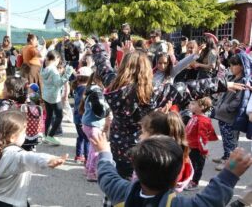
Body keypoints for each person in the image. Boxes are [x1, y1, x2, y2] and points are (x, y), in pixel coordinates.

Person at [87, 38, 246, 181]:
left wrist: (98, 46)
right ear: (146, 70)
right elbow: (188, 88)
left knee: (119, 185)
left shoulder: (113, 85)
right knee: (141, 186)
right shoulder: (152, 93)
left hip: (118, 147)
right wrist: (224, 84)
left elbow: (103, 65)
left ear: (123, 69)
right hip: (143, 148)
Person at [91, 134, 252, 207]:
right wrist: (230, 174)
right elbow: (210, 201)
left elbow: (106, 174)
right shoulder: (177, 204)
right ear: (177, 178)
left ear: (135, 169)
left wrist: (104, 151)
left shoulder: (121, 192)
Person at [0, 110, 68, 207]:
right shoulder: (13, 155)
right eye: (24, 132)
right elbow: (30, 158)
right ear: (12, 137)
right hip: (11, 202)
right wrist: (49, 159)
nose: (25, 135)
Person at [212, 52, 251, 171]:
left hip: (230, 117)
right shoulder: (231, 77)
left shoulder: (244, 81)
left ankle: (230, 164)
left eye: (234, 65)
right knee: (225, 139)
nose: (231, 67)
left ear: (242, 66)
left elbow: (238, 101)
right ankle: (225, 157)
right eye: (230, 65)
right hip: (223, 116)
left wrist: (226, 108)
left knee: (231, 142)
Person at [138, 111, 193, 193]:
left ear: (156, 137)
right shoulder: (178, 153)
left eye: (143, 132)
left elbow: (141, 186)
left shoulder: (152, 161)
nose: (140, 136)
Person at [80, 71, 111, 182]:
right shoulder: (97, 92)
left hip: (88, 123)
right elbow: (100, 110)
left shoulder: (91, 89)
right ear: (99, 80)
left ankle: (88, 169)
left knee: (92, 149)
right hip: (94, 125)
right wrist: (108, 111)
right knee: (96, 151)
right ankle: (92, 173)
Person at [184, 97, 218, 190]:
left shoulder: (202, 120)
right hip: (190, 146)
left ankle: (194, 182)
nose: (190, 105)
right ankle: (187, 179)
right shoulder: (195, 116)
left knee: (197, 166)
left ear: (202, 107)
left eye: (193, 104)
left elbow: (203, 139)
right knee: (190, 165)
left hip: (197, 149)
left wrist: (204, 151)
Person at [41, 50, 74, 146]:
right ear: (56, 59)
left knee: (49, 115)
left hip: (46, 95)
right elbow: (58, 83)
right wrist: (68, 73)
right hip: (54, 97)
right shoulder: (54, 70)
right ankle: (50, 136)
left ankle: (45, 135)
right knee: (59, 116)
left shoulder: (45, 68)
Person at [72, 67, 92, 164]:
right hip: (83, 118)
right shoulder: (86, 89)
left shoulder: (77, 88)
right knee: (87, 139)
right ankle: (87, 159)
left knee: (80, 137)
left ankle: (78, 156)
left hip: (76, 118)